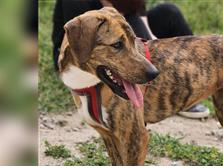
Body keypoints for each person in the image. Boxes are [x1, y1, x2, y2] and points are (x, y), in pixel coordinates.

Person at [52, 0, 209, 119]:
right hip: (83, 54)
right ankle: (160, 96)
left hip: (119, 27)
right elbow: (81, 47)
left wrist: (150, 36)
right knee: (141, 57)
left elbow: (138, 9)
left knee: (169, 12)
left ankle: (192, 83)